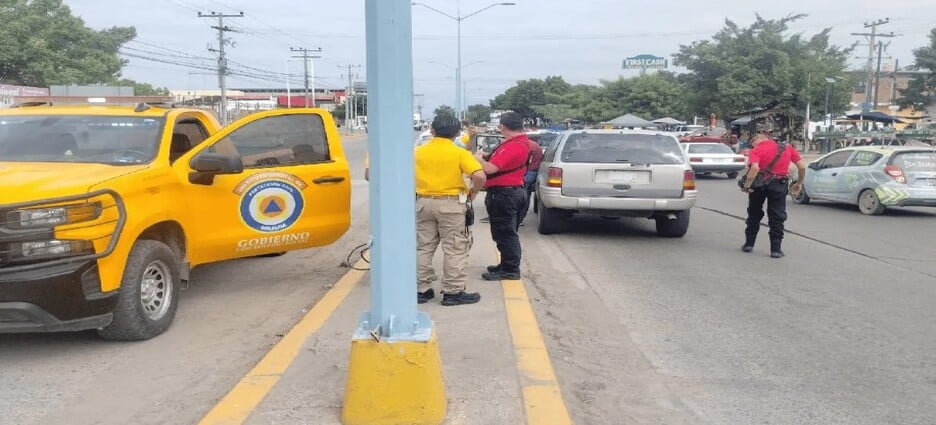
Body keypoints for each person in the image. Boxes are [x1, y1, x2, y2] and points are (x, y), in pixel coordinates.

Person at [415, 116, 487, 306]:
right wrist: (473, 193)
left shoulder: (417, 152)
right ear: (456, 134)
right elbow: (479, 175)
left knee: (424, 246)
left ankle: (421, 289)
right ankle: (453, 292)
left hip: (423, 203)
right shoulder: (460, 153)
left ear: (432, 130)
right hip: (451, 205)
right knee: (455, 248)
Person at [473, 111, 531, 280]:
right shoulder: (515, 143)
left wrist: (479, 159)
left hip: (505, 193)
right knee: (503, 232)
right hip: (509, 192)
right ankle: (506, 264)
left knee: (505, 233)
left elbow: (490, 169)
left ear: (503, 127)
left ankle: (511, 269)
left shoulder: (515, 145)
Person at [740, 120, 807, 258]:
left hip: (758, 185)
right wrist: (799, 182)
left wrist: (747, 186)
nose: (752, 145)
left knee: (754, 214)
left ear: (757, 139)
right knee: (777, 216)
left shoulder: (756, 150)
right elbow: (802, 166)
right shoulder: (787, 148)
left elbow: (755, 168)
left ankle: (749, 244)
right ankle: (776, 250)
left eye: (752, 142)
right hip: (779, 184)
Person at [517, 133, 544, 227]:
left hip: (527, 172)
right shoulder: (537, 147)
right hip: (533, 172)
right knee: (525, 194)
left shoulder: (528, 145)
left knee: (521, 193)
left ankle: (518, 217)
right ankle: (520, 218)